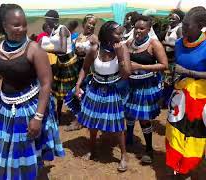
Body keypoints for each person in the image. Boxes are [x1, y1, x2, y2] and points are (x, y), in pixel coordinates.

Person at [0, 4, 64, 180]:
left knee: (30, 156)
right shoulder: (1, 46)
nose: (22, 29)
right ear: (4, 25)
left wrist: (38, 118)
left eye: (24, 24)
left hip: (28, 109)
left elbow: (46, 84)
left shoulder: (34, 50)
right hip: (4, 106)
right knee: (6, 151)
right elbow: (0, 71)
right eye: (16, 25)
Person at [76, 21, 132, 171]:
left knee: (117, 125)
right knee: (92, 122)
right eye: (117, 33)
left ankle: (123, 155)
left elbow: (126, 74)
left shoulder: (122, 48)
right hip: (95, 88)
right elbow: (85, 68)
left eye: (121, 33)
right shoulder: (95, 49)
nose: (120, 36)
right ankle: (93, 150)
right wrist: (78, 85)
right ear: (107, 33)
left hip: (113, 90)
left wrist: (120, 56)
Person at [166, 6, 206, 178]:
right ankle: (180, 166)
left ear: (201, 25)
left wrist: (188, 73)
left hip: (201, 99)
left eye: (188, 25)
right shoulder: (178, 43)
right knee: (176, 130)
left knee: (195, 133)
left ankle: (190, 166)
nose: (184, 28)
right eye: (183, 24)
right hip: (179, 97)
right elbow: (177, 66)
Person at [125, 15, 168, 164]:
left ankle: (149, 149)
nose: (138, 31)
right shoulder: (130, 42)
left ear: (149, 29)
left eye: (142, 28)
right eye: (136, 28)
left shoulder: (153, 44)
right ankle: (128, 138)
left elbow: (164, 65)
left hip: (145, 85)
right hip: (130, 84)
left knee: (143, 118)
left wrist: (141, 66)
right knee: (129, 113)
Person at [44, 10, 79, 121]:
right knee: (59, 89)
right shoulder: (53, 30)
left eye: (47, 19)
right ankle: (58, 114)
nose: (46, 22)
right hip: (61, 62)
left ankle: (76, 117)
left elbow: (63, 49)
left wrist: (45, 49)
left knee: (70, 90)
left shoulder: (62, 29)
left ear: (54, 19)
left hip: (68, 62)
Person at [64, 14, 98, 131]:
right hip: (75, 69)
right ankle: (80, 118)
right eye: (89, 23)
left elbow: (96, 54)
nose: (91, 26)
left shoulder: (94, 38)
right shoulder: (77, 36)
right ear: (84, 23)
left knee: (81, 94)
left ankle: (79, 120)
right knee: (74, 94)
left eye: (94, 24)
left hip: (87, 70)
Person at [161, 9, 185, 107]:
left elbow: (182, 43)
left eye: (173, 17)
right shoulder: (169, 28)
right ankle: (165, 100)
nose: (170, 19)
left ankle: (167, 101)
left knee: (169, 81)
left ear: (179, 19)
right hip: (167, 57)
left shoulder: (179, 29)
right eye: (170, 17)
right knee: (166, 80)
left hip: (174, 58)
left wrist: (167, 43)